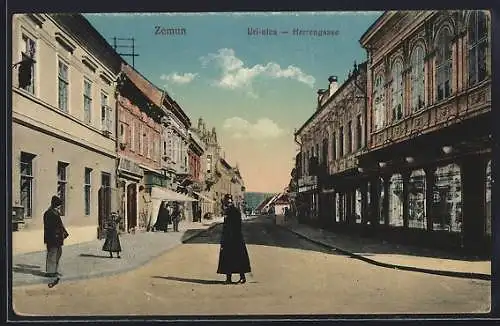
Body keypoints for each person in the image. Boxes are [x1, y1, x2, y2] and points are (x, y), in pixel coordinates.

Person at [217, 194, 251, 284]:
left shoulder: (234, 211)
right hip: (230, 239)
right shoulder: (229, 211)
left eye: (227, 202)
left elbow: (236, 227)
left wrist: (229, 238)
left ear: (230, 202)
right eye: (226, 202)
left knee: (237, 258)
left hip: (235, 239)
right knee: (228, 258)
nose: (226, 204)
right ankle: (229, 279)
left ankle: (242, 278)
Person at [43, 195, 69, 288]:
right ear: (55, 205)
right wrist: (58, 233)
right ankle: (50, 272)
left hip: (57, 238)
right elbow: (49, 227)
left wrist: (64, 232)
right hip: (52, 238)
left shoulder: (55, 213)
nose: (59, 208)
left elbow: (60, 225)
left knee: (58, 253)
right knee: (52, 254)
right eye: (58, 206)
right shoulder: (49, 213)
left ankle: (54, 270)